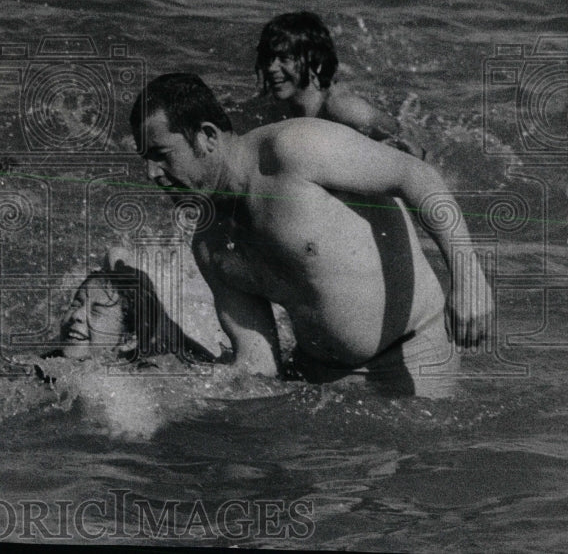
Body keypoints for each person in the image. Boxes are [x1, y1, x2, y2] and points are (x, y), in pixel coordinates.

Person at [127, 72, 494, 397]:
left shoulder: (293, 149)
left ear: (206, 136)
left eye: (161, 154)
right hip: (320, 381)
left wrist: (468, 278)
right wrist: (178, 390)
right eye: (144, 158)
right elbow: (258, 365)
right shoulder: (209, 246)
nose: (151, 173)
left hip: (414, 353)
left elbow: (416, 176)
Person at [254, 11, 427, 158]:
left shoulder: (342, 108)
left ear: (313, 60)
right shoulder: (278, 105)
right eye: (268, 58)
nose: (271, 68)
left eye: (284, 59)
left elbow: (408, 141)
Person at [48, 251, 216, 367]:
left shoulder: (145, 378)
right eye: (75, 304)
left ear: (127, 341)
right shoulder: (47, 364)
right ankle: (121, 265)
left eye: (96, 311)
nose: (76, 315)